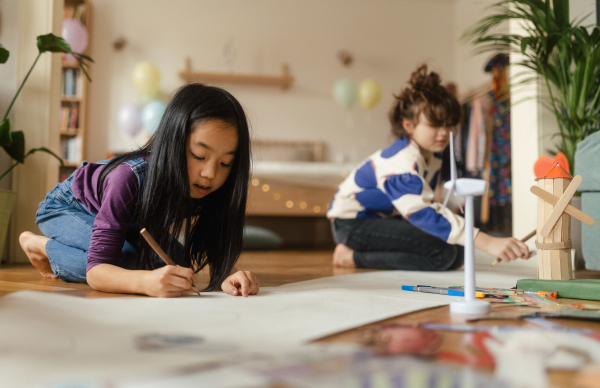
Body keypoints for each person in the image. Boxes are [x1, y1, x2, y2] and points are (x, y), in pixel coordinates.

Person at [19, 83, 260, 298]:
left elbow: (215, 242)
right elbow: (97, 271)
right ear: (172, 143)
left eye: (225, 163)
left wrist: (232, 276)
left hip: (130, 222)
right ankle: (38, 245)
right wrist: (145, 283)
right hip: (67, 206)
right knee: (127, 262)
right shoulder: (127, 177)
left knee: (177, 265)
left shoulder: (209, 185)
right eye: (199, 155)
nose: (210, 173)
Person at [327, 65, 529, 270]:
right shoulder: (402, 164)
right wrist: (488, 242)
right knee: (442, 253)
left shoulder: (434, 155)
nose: (444, 132)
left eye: (449, 124)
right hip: (352, 224)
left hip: (384, 219)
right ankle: (351, 257)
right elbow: (422, 212)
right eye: (434, 125)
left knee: (457, 250)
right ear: (408, 125)